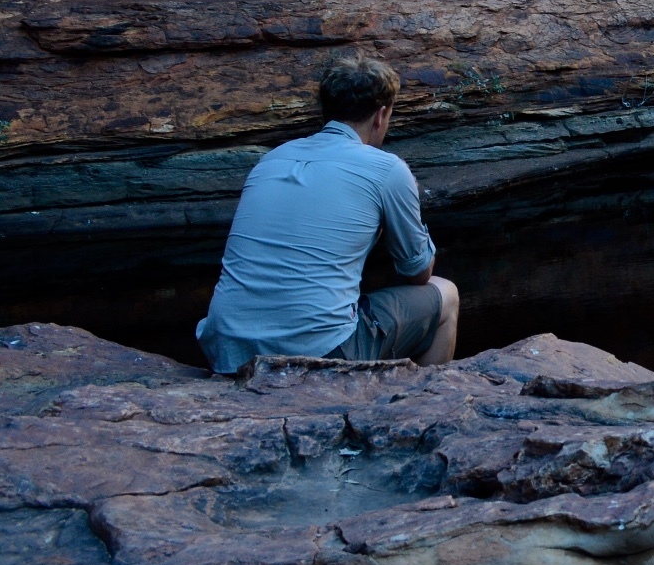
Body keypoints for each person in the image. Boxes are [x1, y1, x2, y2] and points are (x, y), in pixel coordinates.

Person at [195, 52, 459, 373]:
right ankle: (427, 402)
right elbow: (417, 272)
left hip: (227, 349)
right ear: (381, 115)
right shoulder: (386, 169)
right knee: (446, 294)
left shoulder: (272, 160)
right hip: (316, 352)